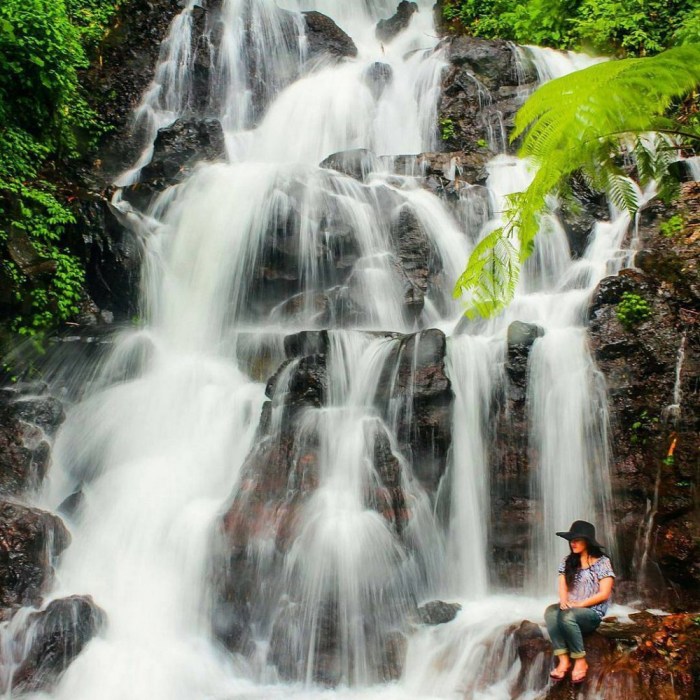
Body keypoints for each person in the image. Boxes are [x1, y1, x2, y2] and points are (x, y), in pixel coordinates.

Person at [544, 520, 615, 684]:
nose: (572, 543)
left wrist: (579, 605)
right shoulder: (567, 561)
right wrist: (563, 601)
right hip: (572, 608)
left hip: (591, 613)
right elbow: (562, 586)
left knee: (566, 617)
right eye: (571, 540)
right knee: (551, 612)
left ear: (587, 542)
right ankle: (563, 659)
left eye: (577, 540)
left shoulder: (602, 562)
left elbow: (604, 593)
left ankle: (580, 660)